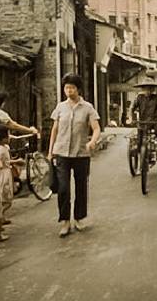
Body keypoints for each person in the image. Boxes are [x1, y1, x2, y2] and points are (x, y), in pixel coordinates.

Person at [47, 73, 101, 237]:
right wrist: (50, 152)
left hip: (81, 154)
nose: (69, 91)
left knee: (81, 187)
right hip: (62, 153)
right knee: (63, 188)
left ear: (78, 89)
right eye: (66, 88)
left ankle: (79, 218)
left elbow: (96, 128)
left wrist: (93, 142)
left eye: (72, 88)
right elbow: (54, 130)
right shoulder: (60, 107)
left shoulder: (88, 108)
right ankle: (65, 221)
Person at [129, 78, 157, 150]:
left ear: (152, 89)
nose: (148, 91)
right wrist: (131, 118)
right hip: (142, 122)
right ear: (143, 89)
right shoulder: (139, 97)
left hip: (154, 122)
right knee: (139, 139)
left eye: (150, 89)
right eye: (146, 89)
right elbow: (132, 108)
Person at [0, 123, 15, 231]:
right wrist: (15, 161)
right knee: (6, 199)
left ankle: (0, 218)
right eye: (7, 135)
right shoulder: (0, 149)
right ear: (2, 138)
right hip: (2, 174)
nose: (9, 137)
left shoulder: (2, 147)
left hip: (5, 173)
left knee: (5, 198)